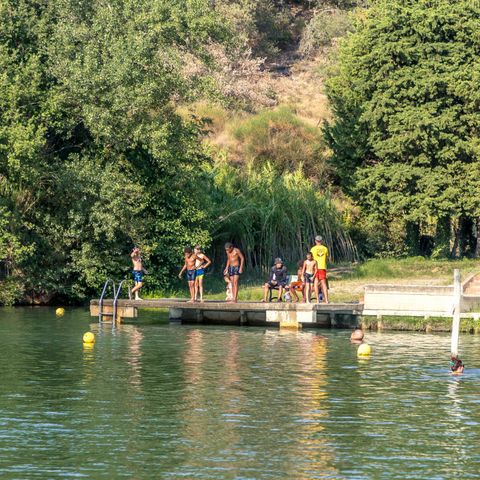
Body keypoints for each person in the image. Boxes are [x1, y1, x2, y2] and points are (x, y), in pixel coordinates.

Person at [311, 235, 329, 304]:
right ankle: (326, 300)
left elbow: (311, 259)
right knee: (323, 284)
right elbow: (326, 259)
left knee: (315, 283)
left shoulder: (313, 249)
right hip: (322, 267)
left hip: (315, 267)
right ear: (321, 241)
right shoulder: (325, 248)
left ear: (315, 241)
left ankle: (318, 300)